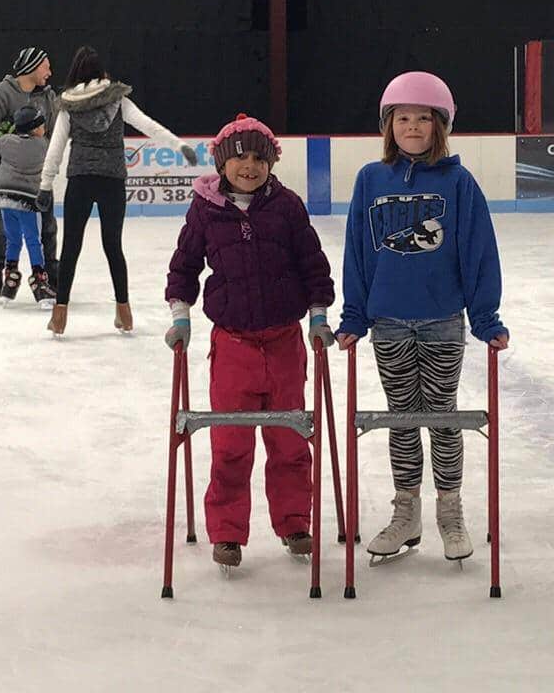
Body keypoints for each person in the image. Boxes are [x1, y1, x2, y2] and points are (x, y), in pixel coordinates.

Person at [335, 71, 509, 564]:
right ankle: (405, 511)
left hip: (440, 321)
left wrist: (485, 318)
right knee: (402, 419)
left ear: (440, 126)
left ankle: (450, 512)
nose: (412, 126)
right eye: (403, 118)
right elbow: (357, 252)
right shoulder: (372, 178)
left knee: (443, 417)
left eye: (423, 119)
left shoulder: (458, 182)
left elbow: (478, 252)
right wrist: (354, 315)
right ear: (389, 126)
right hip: (388, 320)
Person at [164, 114, 335, 569]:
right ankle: (226, 532)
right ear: (222, 163)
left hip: (284, 342)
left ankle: (295, 521)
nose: (250, 166)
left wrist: (319, 314)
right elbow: (183, 266)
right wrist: (180, 315)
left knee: (290, 441)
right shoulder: (206, 210)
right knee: (231, 443)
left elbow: (313, 265)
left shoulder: (287, 206)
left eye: (260, 158)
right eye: (240, 157)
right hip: (233, 345)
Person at [40, 46, 198, 336]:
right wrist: (179, 145)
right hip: (112, 181)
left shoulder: (68, 105)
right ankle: (124, 313)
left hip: (80, 179)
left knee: (71, 247)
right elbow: (149, 126)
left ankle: (59, 315)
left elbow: (56, 147)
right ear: (102, 72)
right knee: (113, 246)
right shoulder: (118, 100)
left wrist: (45, 184)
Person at [0, 47, 61, 305]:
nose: (50, 72)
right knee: (4, 225)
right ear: (33, 67)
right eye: (46, 66)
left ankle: (50, 276)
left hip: (40, 175)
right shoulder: (0, 94)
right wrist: (17, 154)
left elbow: (56, 131)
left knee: (46, 225)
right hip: (8, 176)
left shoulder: (48, 96)